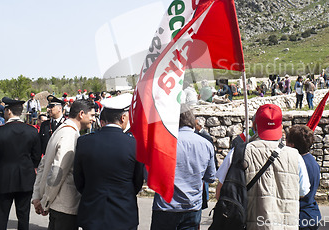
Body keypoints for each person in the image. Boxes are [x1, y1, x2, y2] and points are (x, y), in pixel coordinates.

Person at [215, 104, 310, 230]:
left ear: (254, 126)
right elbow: (303, 191)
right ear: (281, 127)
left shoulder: (239, 153)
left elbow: (220, 192)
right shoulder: (295, 156)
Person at [73, 93, 144, 230]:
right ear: (123, 118)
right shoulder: (134, 145)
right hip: (123, 214)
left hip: (92, 213)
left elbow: (79, 179)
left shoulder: (85, 142)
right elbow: (137, 181)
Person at [32, 99, 96, 230]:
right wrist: (44, 201)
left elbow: (43, 166)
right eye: (92, 115)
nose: (94, 120)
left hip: (57, 203)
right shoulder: (69, 134)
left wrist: (38, 196)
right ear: (81, 114)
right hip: (64, 206)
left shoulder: (61, 130)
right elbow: (57, 172)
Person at [150, 105, 216, 230]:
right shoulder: (206, 144)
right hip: (192, 207)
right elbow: (211, 177)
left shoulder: (161, 143)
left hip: (165, 207)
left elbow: (149, 176)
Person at [0, 97, 41, 230]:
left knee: (0, 218)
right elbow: (36, 157)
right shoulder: (32, 131)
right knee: (23, 217)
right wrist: (27, 168)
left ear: (8, 111)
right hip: (25, 179)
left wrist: (1, 170)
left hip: (4, 178)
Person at [287, 125, 321, 230]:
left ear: (292, 145)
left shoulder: (299, 164)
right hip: (311, 214)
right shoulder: (311, 160)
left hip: (301, 217)